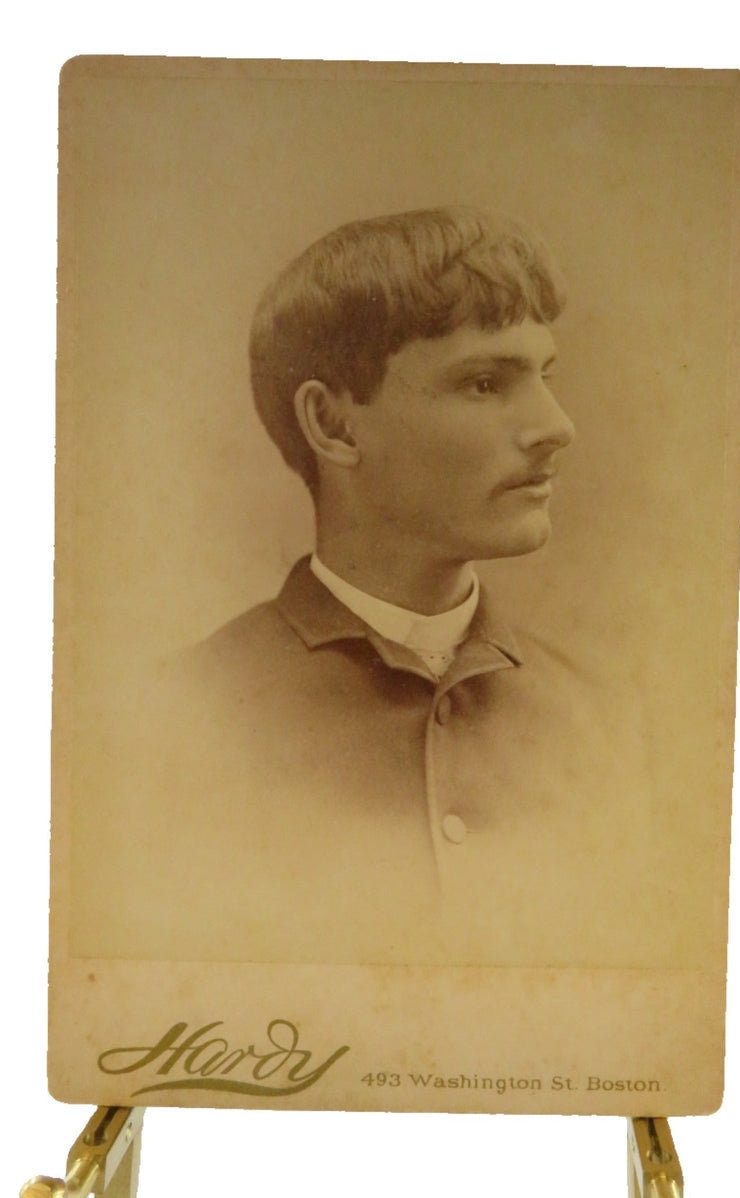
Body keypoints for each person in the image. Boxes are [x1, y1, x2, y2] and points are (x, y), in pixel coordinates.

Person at [113, 208, 651, 967]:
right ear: (334, 424)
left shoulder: (605, 720)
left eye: (546, 376)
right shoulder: (174, 726)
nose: (555, 425)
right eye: (486, 382)